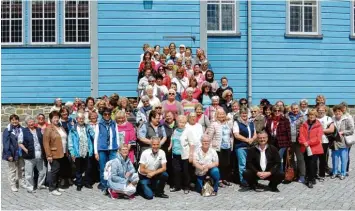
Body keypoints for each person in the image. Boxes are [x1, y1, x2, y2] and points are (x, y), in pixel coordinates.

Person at [205, 109, 233, 187]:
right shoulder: (214, 124)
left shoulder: (228, 123)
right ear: (217, 115)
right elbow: (209, 137)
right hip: (217, 147)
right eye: (219, 114)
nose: (221, 116)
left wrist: (231, 145)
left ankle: (224, 179)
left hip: (227, 146)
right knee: (219, 164)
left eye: (223, 114)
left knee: (226, 164)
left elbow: (230, 135)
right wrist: (209, 148)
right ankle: (219, 180)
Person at [18, 116, 47, 193]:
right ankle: (30, 187)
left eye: (32, 121)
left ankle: (40, 185)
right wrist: (25, 149)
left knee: (43, 171)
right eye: (29, 122)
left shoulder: (39, 130)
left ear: (34, 122)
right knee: (29, 173)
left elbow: (44, 139)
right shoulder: (23, 131)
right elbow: (20, 142)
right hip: (29, 155)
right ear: (27, 124)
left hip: (40, 154)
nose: (31, 123)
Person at [93, 108, 119, 192]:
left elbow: (117, 136)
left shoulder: (114, 124)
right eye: (105, 114)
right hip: (102, 149)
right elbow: (96, 138)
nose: (107, 116)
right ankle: (104, 185)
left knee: (112, 168)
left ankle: (111, 185)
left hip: (113, 148)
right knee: (103, 167)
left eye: (108, 114)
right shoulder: (99, 124)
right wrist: (96, 152)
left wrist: (118, 148)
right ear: (102, 115)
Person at [68, 112, 95, 191]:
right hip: (77, 151)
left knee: (88, 168)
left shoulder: (87, 127)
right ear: (76, 119)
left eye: (82, 118)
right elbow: (70, 142)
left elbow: (94, 135)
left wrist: (91, 130)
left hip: (87, 150)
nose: (81, 120)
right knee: (78, 169)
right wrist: (72, 152)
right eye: (79, 118)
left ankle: (87, 182)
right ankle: (79, 183)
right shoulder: (73, 129)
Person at [43, 111, 67, 196]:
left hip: (63, 152)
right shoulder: (49, 128)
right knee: (54, 171)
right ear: (51, 119)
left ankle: (57, 186)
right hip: (54, 153)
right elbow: (46, 143)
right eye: (54, 118)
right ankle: (52, 188)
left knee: (59, 171)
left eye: (57, 117)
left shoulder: (60, 127)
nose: (56, 119)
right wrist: (49, 155)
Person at [298, 109, 324, 188]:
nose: (311, 116)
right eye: (310, 115)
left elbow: (318, 137)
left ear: (316, 116)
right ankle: (310, 178)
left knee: (312, 164)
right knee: (307, 163)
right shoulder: (304, 124)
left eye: (313, 115)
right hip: (305, 147)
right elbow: (301, 135)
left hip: (314, 148)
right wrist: (304, 142)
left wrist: (308, 142)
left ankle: (310, 180)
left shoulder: (319, 125)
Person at [233, 107, 257, 187]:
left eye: (246, 113)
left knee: (251, 164)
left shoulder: (251, 122)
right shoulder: (237, 123)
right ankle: (243, 180)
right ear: (240, 114)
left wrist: (252, 139)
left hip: (251, 146)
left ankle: (251, 179)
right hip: (241, 147)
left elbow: (255, 133)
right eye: (243, 113)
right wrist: (247, 140)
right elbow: (236, 135)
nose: (244, 115)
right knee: (242, 164)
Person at [2, 114, 25, 192]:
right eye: (13, 120)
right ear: (10, 121)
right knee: (12, 170)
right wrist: (8, 155)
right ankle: (13, 184)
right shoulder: (7, 130)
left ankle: (21, 182)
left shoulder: (22, 129)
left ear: (19, 120)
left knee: (21, 168)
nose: (15, 121)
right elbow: (5, 143)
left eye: (16, 119)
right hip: (12, 153)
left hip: (20, 153)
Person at [168, 115, 191, 193]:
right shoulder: (175, 130)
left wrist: (191, 154)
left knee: (185, 171)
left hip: (184, 155)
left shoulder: (188, 131)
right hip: (175, 153)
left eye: (184, 122)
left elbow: (192, 144)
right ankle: (177, 186)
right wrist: (170, 146)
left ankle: (186, 187)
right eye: (180, 122)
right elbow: (172, 139)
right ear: (177, 122)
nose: (182, 124)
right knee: (176, 171)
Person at [265, 105, 291, 173]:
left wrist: (289, 145)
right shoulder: (269, 120)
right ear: (272, 111)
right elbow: (267, 132)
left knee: (278, 157)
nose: (277, 112)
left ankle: (281, 173)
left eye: (279, 110)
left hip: (283, 142)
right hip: (273, 142)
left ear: (281, 111)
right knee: (274, 158)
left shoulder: (285, 120)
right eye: (275, 110)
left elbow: (288, 132)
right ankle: (277, 172)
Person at [331, 105, 354, 180]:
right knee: (335, 159)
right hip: (334, 143)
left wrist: (343, 132)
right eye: (336, 111)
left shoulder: (346, 119)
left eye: (339, 111)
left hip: (343, 142)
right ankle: (335, 172)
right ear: (334, 112)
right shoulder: (332, 119)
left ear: (342, 112)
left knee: (344, 159)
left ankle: (343, 173)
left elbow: (351, 130)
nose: (337, 113)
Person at [285, 103, 306, 183]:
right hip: (289, 141)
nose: (295, 110)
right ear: (291, 109)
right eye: (293, 108)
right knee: (291, 159)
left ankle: (302, 175)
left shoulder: (303, 117)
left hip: (298, 141)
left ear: (299, 108)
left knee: (300, 158)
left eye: (296, 108)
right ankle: (293, 174)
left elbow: (304, 128)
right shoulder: (287, 116)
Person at [317, 105, 334, 181]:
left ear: (325, 110)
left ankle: (322, 175)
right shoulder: (315, 118)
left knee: (322, 159)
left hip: (324, 141)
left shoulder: (328, 118)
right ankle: (314, 174)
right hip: (315, 141)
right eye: (319, 110)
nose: (321, 111)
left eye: (322, 110)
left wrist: (320, 131)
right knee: (313, 159)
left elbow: (331, 129)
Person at [339, 102, 355, 175]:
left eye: (344, 107)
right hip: (339, 138)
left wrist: (343, 132)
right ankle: (341, 169)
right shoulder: (338, 115)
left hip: (347, 138)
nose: (342, 109)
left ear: (346, 108)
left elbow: (352, 128)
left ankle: (346, 170)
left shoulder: (348, 116)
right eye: (341, 107)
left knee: (346, 154)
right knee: (341, 154)